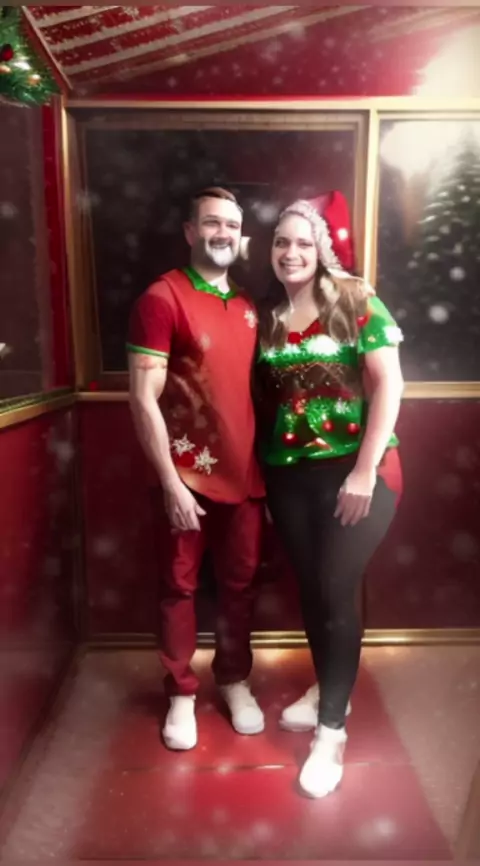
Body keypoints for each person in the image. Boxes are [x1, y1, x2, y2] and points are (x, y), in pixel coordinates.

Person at [255, 199, 404, 798]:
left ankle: (331, 733)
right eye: (281, 242)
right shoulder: (267, 314)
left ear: (321, 248)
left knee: (334, 590)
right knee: (313, 592)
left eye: (303, 242)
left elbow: (390, 382)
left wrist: (364, 471)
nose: (291, 253)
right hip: (289, 476)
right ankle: (327, 688)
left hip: (357, 472)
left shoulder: (353, 297)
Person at [127, 187, 265, 751]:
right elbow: (142, 398)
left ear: (241, 235)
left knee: (240, 587)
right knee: (178, 588)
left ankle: (233, 679)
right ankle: (181, 692)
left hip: (247, 477)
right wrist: (170, 483)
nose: (222, 233)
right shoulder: (162, 298)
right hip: (184, 480)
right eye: (211, 223)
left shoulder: (250, 305)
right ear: (190, 231)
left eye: (231, 224)